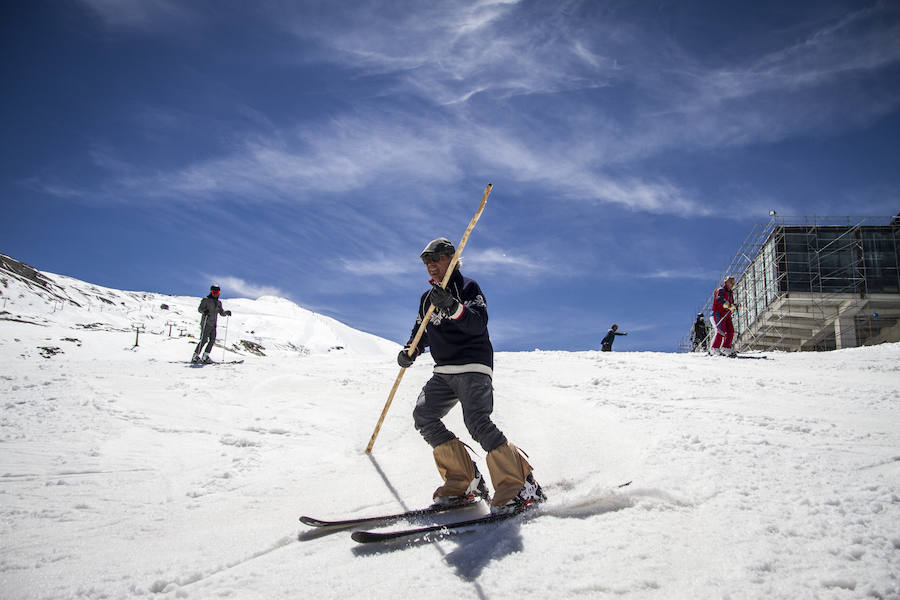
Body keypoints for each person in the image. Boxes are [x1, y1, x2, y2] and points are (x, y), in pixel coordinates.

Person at [398, 237, 546, 514]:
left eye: (435, 259)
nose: (430, 265)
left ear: (451, 258)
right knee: (424, 416)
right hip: (443, 372)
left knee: (476, 422)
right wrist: (411, 350)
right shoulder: (426, 299)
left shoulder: (468, 287)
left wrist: (453, 307)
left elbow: (477, 324)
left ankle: (521, 486)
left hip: (472, 366)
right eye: (425, 261)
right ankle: (463, 483)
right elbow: (420, 333)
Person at [192, 285, 232, 364]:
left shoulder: (218, 303)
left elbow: (221, 313)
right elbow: (200, 309)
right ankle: (195, 356)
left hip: (213, 324)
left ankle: (205, 356)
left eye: (217, 292)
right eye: (214, 292)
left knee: (212, 340)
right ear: (211, 292)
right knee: (204, 340)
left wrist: (226, 313)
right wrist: (204, 311)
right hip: (206, 323)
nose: (216, 294)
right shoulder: (206, 300)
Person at [710, 276, 739, 357]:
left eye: (733, 283)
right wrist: (726, 304)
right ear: (726, 282)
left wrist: (734, 306)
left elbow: (731, 303)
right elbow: (719, 298)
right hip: (718, 313)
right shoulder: (721, 290)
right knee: (721, 330)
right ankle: (714, 348)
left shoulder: (730, 292)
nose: (732, 284)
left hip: (727, 314)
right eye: (731, 282)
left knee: (730, 331)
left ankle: (726, 347)